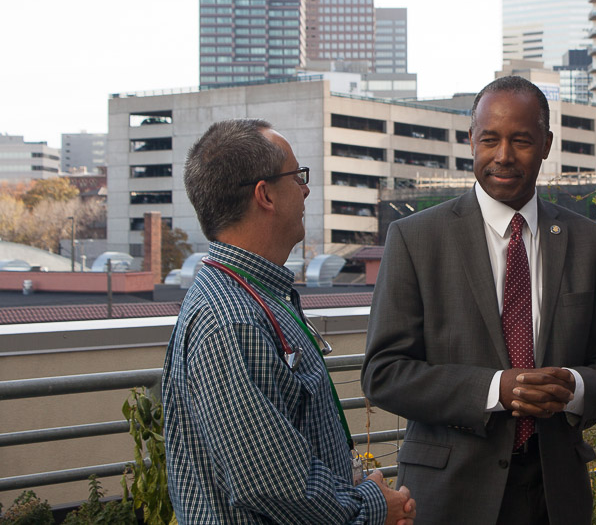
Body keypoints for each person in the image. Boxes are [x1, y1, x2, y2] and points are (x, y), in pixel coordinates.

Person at [362, 76, 596, 524]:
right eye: (490, 139)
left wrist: (572, 387)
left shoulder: (591, 242)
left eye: (521, 140)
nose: (503, 156)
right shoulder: (414, 239)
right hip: (450, 496)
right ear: (471, 140)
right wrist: (495, 390)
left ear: (546, 144)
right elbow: (383, 372)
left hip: (556, 494)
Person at [162, 119, 415, 525]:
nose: (306, 188)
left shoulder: (254, 297)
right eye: (297, 176)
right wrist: (371, 506)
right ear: (265, 195)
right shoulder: (231, 321)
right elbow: (273, 482)